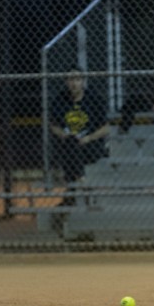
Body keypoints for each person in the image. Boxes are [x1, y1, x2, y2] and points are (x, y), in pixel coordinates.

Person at [50, 68, 110, 204]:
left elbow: (106, 127)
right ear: (66, 82)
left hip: (91, 146)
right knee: (71, 143)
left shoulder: (93, 99)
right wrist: (64, 134)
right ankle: (82, 180)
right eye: (71, 79)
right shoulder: (60, 100)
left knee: (69, 151)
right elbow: (53, 126)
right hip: (70, 144)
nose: (74, 83)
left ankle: (71, 193)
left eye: (77, 79)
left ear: (83, 81)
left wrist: (88, 138)